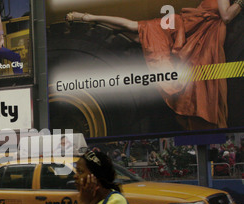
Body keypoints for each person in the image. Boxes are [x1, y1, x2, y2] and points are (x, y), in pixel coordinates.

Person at [66, 0, 243, 130]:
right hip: (182, 28)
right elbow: (226, 16)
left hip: (191, 33)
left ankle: (96, 22)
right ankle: (89, 17)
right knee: (137, 28)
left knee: (139, 35)